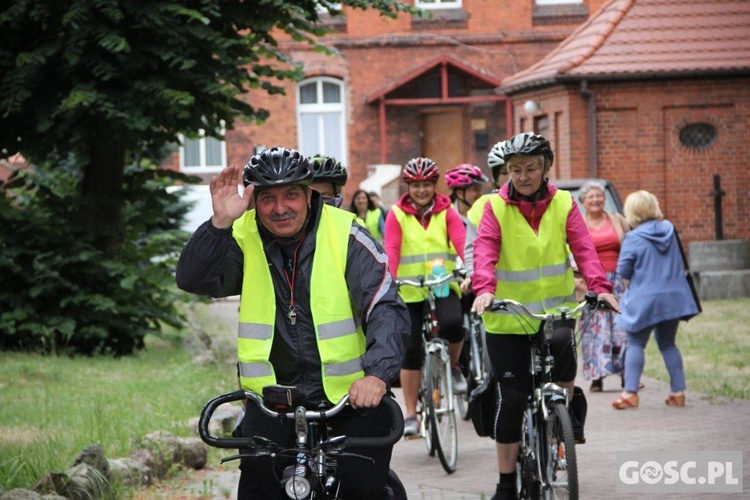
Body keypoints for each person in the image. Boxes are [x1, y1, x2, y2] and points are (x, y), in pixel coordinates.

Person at [175, 147, 410, 499]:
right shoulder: (241, 235)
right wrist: (220, 224)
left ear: (308, 194)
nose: (280, 208)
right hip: (272, 400)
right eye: (267, 198)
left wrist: (377, 374)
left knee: (360, 485)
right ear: (254, 201)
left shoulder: (346, 234)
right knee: (258, 485)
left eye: (290, 195)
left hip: (349, 399)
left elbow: (385, 307)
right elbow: (193, 280)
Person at [470, 132, 619, 500]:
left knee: (565, 365)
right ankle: (506, 483)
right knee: (513, 398)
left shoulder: (565, 204)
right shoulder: (494, 207)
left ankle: (560, 423)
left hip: (556, 312)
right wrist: (485, 288)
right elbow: (485, 248)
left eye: (530, 168)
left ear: (545, 168)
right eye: (515, 170)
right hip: (508, 317)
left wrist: (599, 286)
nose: (522, 176)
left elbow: (583, 248)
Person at [384, 157, 468, 437]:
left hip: (442, 283)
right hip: (408, 288)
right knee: (409, 349)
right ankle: (411, 415)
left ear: (435, 185)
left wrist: (466, 267)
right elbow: (392, 248)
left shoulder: (448, 212)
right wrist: (389, 279)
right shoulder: (397, 214)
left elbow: (460, 241)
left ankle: (454, 367)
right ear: (408, 186)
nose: (421, 190)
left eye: (427, 185)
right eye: (416, 185)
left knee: (454, 323)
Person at [611, 190, 699, 410]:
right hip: (674, 298)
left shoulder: (633, 237)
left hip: (644, 299)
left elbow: (624, 271)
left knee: (635, 343)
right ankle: (678, 393)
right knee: (668, 343)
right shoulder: (669, 229)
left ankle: (630, 393)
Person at [578, 180, 631, 392]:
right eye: (591, 196)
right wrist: (577, 280)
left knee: (622, 328)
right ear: (583, 201)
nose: (596, 200)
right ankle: (596, 377)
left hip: (619, 281)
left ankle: (627, 374)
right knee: (595, 330)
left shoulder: (617, 219)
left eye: (599, 195)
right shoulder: (579, 224)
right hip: (592, 282)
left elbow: (632, 242)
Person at [462, 140, 511, 293]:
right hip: (497, 296)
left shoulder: (543, 203)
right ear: (495, 177)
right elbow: (472, 248)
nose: (511, 177)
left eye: (515, 170)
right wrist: (472, 274)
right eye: (504, 173)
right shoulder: (481, 206)